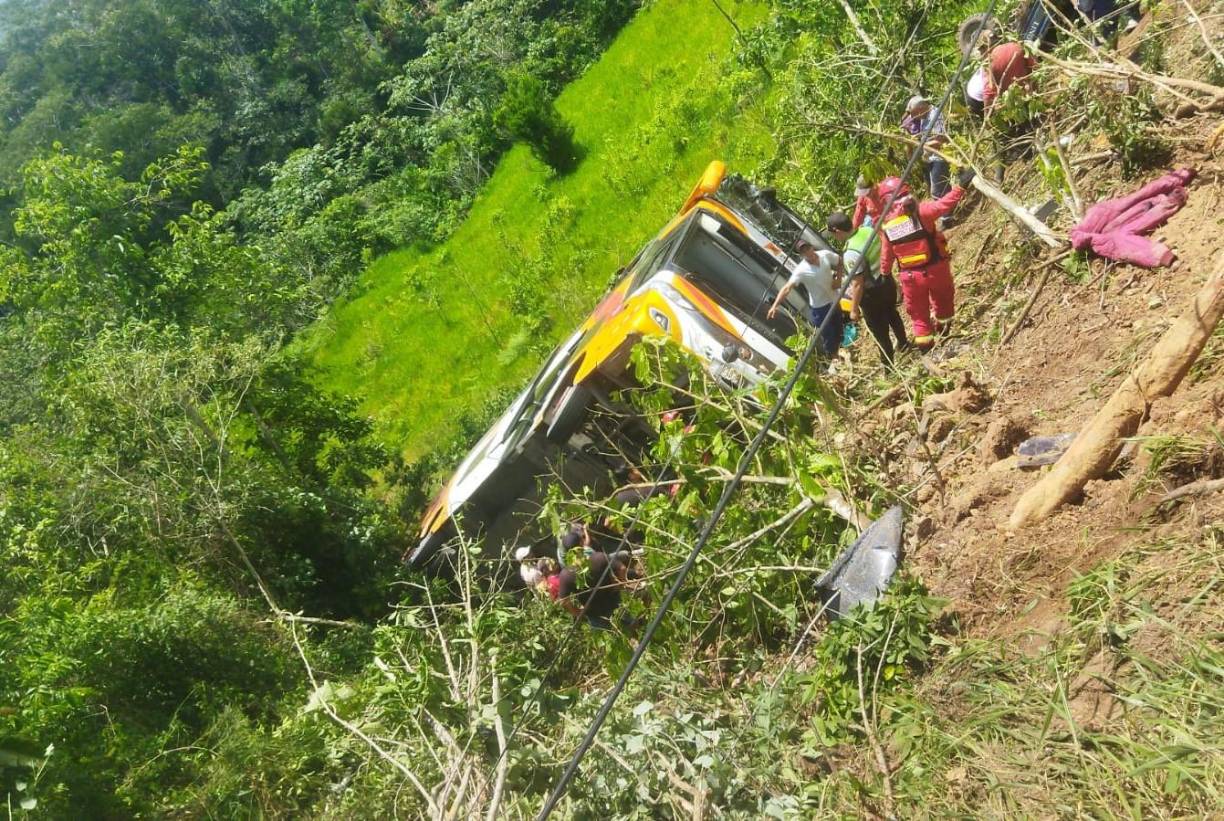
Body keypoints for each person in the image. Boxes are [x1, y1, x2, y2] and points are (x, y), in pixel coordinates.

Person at [877, 169, 974, 350]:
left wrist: (885, 274)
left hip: (911, 278)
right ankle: (945, 333)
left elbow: (886, 255)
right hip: (937, 269)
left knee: (919, 315)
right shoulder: (922, 211)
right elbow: (944, 205)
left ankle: (926, 348)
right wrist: (961, 186)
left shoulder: (887, 225)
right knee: (943, 302)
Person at [826, 212, 909, 364]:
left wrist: (854, 309)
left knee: (880, 332)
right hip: (886, 281)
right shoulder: (868, 231)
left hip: (872, 295)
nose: (833, 237)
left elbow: (858, 284)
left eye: (832, 234)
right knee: (892, 314)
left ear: (837, 231)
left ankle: (888, 366)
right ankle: (904, 344)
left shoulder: (851, 252)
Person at [766, 241, 844, 359]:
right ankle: (834, 357)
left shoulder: (825, 255)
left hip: (833, 299)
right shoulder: (801, 270)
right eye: (803, 252)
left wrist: (838, 279)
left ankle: (844, 350)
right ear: (801, 255)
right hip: (820, 307)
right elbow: (787, 287)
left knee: (839, 326)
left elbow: (840, 261)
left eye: (808, 248)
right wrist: (775, 305)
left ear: (812, 247)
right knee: (828, 334)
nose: (807, 252)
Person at [901, 95, 950, 200]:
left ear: (920, 110)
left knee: (937, 191)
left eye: (914, 115)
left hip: (939, 157)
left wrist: (920, 144)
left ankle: (946, 215)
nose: (914, 118)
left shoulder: (935, 116)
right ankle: (950, 208)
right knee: (942, 187)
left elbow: (940, 140)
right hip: (930, 157)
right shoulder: (924, 116)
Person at [983, 40, 1036, 114]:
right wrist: (1031, 84)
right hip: (1026, 92)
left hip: (1010, 99)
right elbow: (1034, 66)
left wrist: (987, 115)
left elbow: (988, 93)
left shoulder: (988, 63)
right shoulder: (1017, 46)